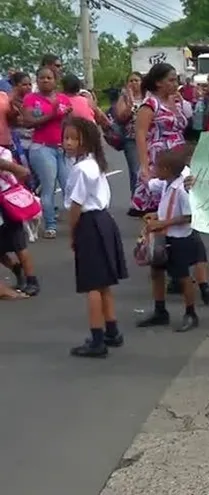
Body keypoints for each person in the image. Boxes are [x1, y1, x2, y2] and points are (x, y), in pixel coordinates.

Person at [62, 117, 128, 358]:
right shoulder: (94, 163)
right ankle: (112, 330)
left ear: (86, 141)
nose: (68, 143)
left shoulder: (80, 169)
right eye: (65, 138)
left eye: (73, 138)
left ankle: (97, 339)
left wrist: (72, 233)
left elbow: (76, 206)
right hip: (104, 221)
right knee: (103, 283)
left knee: (91, 284)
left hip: (90, 223)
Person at [136, 146, 204, 333]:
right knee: (156, 272)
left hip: (179, 238)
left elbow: (189, 216)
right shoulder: (166, 183)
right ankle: (160, 310)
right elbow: (154, 190)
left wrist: (163, 223)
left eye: (156, 167)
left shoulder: (182, 190)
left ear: (166, 170)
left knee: (182, 277)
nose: (154, 170)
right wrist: (155, 215)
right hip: (164, 237)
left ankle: (190, 313)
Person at [132, 63, 188, 215]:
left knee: (178, 204)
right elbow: (141, 134)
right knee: (160, 207)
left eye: (176, 80)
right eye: (171, 80)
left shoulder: (176, 101)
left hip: (177, 158)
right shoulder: (150, 104)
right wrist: (144, 166)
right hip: (159, 158)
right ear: (158, 82)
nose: (175, 84)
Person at [22, 66, 71, 238]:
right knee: (49, 187)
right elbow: (27, 122)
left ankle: (77, 223)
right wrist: (52, 115)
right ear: (37, 80)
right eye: (42, 78)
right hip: (42, 147)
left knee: (69, 185)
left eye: (49, 78)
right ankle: (50, 224)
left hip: (63, 148)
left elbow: (69, 122)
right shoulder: (31, 99)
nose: (45, 80)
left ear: (55, 80)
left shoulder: (64, 99)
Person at [0, 148, 39, 295]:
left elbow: (10, 169)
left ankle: (31, 280)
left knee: (19, 244)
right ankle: (16, 268)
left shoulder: (4, 153)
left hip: (7, 203)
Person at [114, 72, 145, 204]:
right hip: (131, 139)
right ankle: (136, 200)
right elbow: (120, 117)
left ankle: (149, 199)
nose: (134, 83)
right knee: (135, 171)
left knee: (149, 169)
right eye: (131, 81)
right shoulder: (124, 98)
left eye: (136, 80)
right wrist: (130, 104)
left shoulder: (148, 97)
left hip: (148, 138)